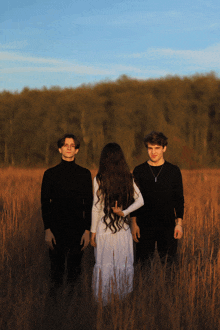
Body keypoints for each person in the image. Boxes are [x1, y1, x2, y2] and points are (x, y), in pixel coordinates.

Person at [90, 143, 144, 305]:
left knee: (104, 265)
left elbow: (96, 208)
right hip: (123, 229)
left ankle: (104, 303)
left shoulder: (99, 179)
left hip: (104, 228)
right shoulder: (128, 178)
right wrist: (124, 212)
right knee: (122, 264)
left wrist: (92, 233)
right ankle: (122, 302)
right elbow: (141, 200)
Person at [41, 134, 93, 293]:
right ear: (60, 149)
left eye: (72, 145)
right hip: (56, 228)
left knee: (75, 272)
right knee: (56, 272)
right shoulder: (50, 174)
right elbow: (45, 203)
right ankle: (54, 311)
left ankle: (73, 310)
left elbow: (89, 204)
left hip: (77, 229)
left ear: (76, 150)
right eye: (65, 145)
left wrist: (87, 230)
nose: (69, 147)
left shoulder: (85, 174)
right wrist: (47, 230)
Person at [131, 131, 184, 265]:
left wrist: (179, 224)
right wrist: (134, 223)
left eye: (157, 148)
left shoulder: (173, 171)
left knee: (169, 266)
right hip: (144, 225)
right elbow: (133, 199)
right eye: (150, 148)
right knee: (142, 266)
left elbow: (178, 198)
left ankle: (167, 287)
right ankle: (144, 287)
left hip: (167, 225)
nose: (153, 152)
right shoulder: (139, 170)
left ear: (164, 148)